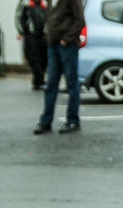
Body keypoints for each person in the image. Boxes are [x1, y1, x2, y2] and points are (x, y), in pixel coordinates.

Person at [33, 0, 85, 135]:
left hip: (67, 46)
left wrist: (67, 38)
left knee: (71, 83)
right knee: (51, 84)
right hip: (53, 44)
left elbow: (80, 20)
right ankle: (46, 121)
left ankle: (73, 120)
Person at [15, 0, 48, 90]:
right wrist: (22, 32)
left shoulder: (45, 3)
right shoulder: (25, 4)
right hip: (31, 35)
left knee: (43, 58)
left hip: (43, 36)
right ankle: (39, 80)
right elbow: (19, 18)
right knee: (34, 58)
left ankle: (38, 80)